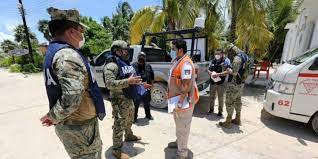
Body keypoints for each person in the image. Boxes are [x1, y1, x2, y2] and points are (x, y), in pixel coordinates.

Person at [40, 7, 106, 159]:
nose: (82, 34)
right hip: (79, 128)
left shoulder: (55, 52)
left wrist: (55, 116)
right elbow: (72, 98)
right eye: (80, 30)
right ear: (71, 32)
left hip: (75, 124)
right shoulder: (67, 55)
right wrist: (53, 116)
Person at [103, 40, 142, 159]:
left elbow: (130, 77)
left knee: (129, 119)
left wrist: (140, 84)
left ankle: (129, 135)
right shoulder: (112, 65)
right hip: (119, 100)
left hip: (128, 97)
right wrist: (127, 82)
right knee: (119, 124)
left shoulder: (125, 63)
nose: (127, 52)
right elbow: (109, 84)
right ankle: (117, 150)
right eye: (125, 50)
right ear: (117, 51)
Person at [167, 39, 199, 159]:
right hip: (176, 99)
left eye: (173, 49)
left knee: (183, 128)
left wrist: (180, 101)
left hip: (183, 101)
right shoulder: (177, 60)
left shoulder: (186, 63)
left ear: (180, 50)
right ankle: (178, 143)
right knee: (179, 124)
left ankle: (182, 154)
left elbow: (185, 84)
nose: (172, 51)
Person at [219, 44, 249, 128]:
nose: (229, 55)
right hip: (241, 83)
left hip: (234, 84)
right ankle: (237, 119)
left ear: (232, 50)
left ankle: (228, 122)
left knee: (229, 101)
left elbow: (234, 72)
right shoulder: (245, 56)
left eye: (229, 53)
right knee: (238, 101)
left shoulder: (237, 58)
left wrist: (226, 67)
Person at [208, 49, 232, 116]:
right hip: (212, 82)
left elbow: (228, 71)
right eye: (215, 54)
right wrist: (210, 73)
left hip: (221, 83)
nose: (216, 55)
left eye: (218, 54)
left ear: (222, 54)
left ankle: (220, 112)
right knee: (211, 97)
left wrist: (218, 74)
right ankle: (211, 109)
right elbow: (208, 69)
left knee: (220, 97)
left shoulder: (226, 61)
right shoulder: (213, 60)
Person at [132, 52, 154, 122]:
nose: (141, 60)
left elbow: (152, 76)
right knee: (136, 104)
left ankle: (148, 115)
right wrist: (141, 84)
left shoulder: (148, 66)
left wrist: (152, 86)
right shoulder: (133, 66)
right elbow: (132, 78)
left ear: (145, 58)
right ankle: (134, 117)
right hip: (137, 89)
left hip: (147, 89)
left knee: (147, 103)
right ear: (138, 58)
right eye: (140, 58)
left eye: (143, 57)